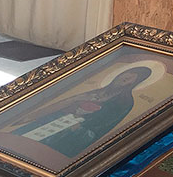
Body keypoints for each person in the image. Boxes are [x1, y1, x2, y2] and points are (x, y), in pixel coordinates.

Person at [10, 66, 153, 158]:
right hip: (54, 121)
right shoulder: (96, 90)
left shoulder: (124, 102)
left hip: (77, 132)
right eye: (125, 74)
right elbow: (63, 103)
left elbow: (106, 125)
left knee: (43, 153)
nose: (125, 78)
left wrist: (82, 123)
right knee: (19, 143)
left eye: (130, 78)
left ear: (134, 83)